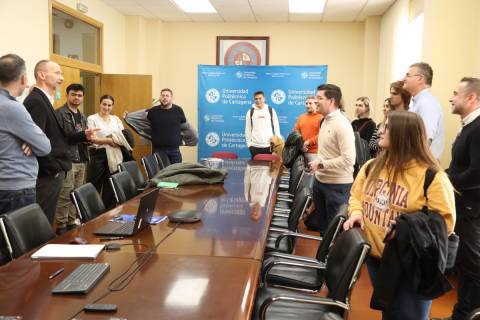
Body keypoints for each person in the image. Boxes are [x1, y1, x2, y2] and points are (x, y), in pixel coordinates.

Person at [344, 111, 455, 320]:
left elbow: (445, 223)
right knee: (390, 312)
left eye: (387, 126)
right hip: (376, 259)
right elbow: (356, 196)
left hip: (410, 264)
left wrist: (405, 230)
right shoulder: (371, 167)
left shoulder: (432, 176)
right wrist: (356, 212)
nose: (380, 130)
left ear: (404, 134)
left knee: (409, 316)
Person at [440, 77, 480, 320]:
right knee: (465, 264)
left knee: (472, 265)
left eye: (456, 93)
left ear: (471, 97)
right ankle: (461, 314)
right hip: (464, 205)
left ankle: (467, 315)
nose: (451, 97)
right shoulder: (469, 126)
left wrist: (446, 181)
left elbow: (477, 173)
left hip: (472, 208)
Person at [0, 54, 51, 214]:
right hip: (15, 188)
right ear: (23, 78)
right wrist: (31, 141)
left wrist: (30, 141)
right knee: (18, 239)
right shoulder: (12, 108)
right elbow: (44, 147)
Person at [23, 60, 70, 224]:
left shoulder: (43, 99)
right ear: (42, 75)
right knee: (41, 223)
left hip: (52, 172)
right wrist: (53, 169)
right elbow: (34, 142)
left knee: (46, 220)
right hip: (47, 174)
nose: (61, 78)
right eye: (57, 73)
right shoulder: (36, 101)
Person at [306, 84, 355, 233]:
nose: (315, 102)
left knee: (335, 235)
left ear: (331, 101)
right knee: (324, 231)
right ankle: (323, 257)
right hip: (321, 183)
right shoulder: (325, 120)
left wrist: (320, 165)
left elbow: (349, 159)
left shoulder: (342, 124)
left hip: (337, 187)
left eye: (319, 98)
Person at [55, 83, 97, 235]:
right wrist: (84, 135)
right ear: (67, 95)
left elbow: (82, 137)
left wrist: (89, 138)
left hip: (82, 158)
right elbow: (65, 137)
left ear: (83, 97)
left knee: (76, 192)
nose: (76, 98)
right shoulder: (59, 114)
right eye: (73, 94)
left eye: (79, 95)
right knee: (65, 193)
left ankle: (72, 221)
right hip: (67, 159)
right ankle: (61, 225)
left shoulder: (82, 116)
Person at [87, 95, 126, 209]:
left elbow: (123, 138)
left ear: (112, 106)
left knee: (111, 185)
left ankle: (108, 213)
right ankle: (91, 214)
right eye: (104, 104)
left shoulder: (116, 119)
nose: (106, 107)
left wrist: (106, 140)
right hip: (98, 155)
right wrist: (110, 140)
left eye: (109, 105)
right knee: (94, 185)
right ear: (100, 104)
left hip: (114, 155)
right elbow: (93, 139)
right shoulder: (92, 118)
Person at [403, 62, 444, 159]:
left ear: (420, 78)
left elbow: (425, 139)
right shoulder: (418, 102)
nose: (404, 79)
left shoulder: (427, 103)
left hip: (421, 165)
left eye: (408, 75)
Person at [147, 88, 186, 164]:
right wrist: (128, 116)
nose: (165, 97)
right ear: (160, 98)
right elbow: (144, 122)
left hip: (174, 151)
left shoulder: (178, 110)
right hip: (158, 150)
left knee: (176, 173)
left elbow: (184, 127)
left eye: (167, 96)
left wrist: (185, 139)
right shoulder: (153, 111)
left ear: (171, 98)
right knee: (160, 174)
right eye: (163, 95)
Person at [245, 91, 281, 159]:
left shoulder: (271, 110)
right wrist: (249, 145)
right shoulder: (250, 112)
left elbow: (277, 129)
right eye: (256, 99)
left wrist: (276, 147)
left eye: (260, 98)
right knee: (255, 169)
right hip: (255, 147)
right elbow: (247, 129)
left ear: (264, 99)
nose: (258, 100)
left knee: (269, 169)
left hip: (269, 147)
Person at [292, 96, 323, 162]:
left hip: (315, 153)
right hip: (301, 152)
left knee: (314, 172)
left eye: (310, 103)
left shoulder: (321, 117)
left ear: (316, 104)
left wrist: (308, 142)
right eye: (306, 103)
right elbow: (295, 133)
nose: (308, 106)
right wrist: (301, 145)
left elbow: (322, 134)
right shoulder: (301, 117)